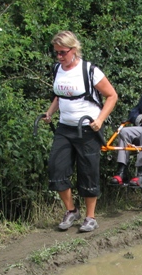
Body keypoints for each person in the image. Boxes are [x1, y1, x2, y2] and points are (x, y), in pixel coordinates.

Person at [43, 31, 118, 232]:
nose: (59, 57)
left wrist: (100, 120)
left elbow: (112, 96)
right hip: (64, 128)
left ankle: (90, 217)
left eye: (63, 53)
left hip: (87, 129)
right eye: (56, 53)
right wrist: (50, 112)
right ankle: (71, 210)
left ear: (73, 50)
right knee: (56, 169)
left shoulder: (90, 70)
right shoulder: (58, 69)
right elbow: (60, 95)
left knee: (88, 172)